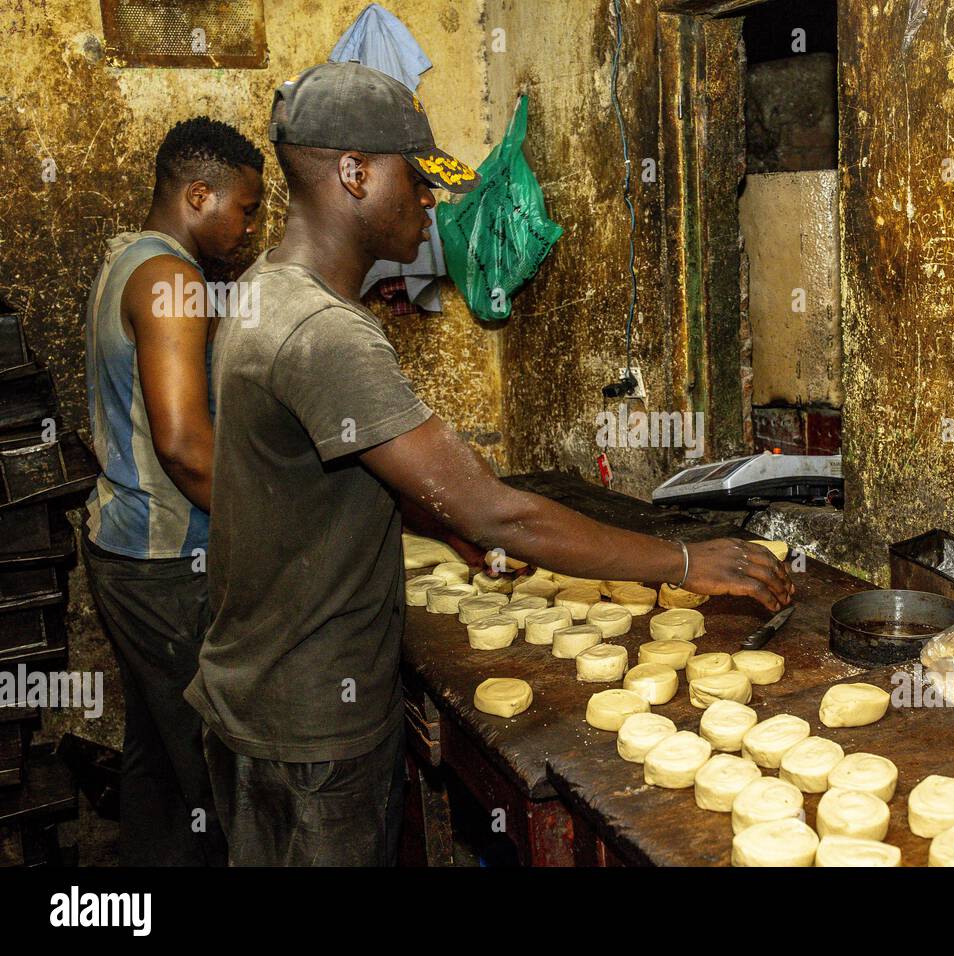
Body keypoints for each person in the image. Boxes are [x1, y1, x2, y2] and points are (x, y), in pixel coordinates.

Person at [183, 62, 793, 866]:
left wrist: (442, 523)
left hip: (259, 693)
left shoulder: (266, 293)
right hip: (309, 727)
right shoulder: (325, 332)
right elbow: (498, 509)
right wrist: (683, 560)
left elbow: (336, 468)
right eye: (419, 178)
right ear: (356, 174)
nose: (435, 202)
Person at [82, 116, 264, 865]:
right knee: (214, 775)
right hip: (165, 563)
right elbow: (186, 447)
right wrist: (268, 528)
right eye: (246, 209)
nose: (249, 228)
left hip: (120, 548)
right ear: (198, 194)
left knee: (155, 760)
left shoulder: (127, 259)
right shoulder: (170, 281)